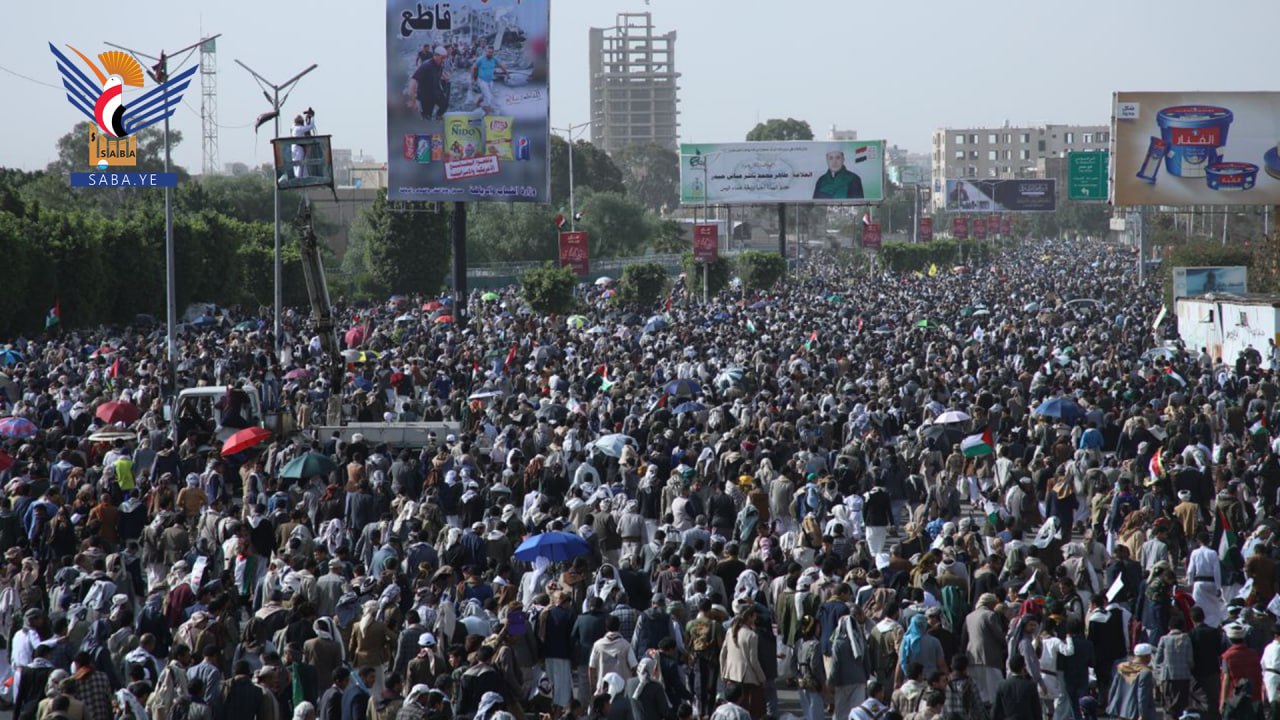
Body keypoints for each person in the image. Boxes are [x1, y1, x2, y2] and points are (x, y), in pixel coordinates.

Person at [1106, 643, 1157, 720]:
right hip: (1135, 712)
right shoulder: (1145, 672)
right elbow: (1142, 696)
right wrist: (1142, 715)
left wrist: (1110, 705)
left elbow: (1113, 689)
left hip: (1120, 710)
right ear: (1147, 656)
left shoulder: (1122, 667)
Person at [409, 47, 451, 120]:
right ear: (436, 56)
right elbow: (413, 81)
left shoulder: (439, 64)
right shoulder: (426, 66)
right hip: (426, 95)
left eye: (445, 58)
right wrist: (413, 101)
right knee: (427, 116)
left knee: (444, 104)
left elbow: (439, 74)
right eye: (442, 58)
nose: (444, 60)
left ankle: (438, 117)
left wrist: (445, 78)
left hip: (436, 91)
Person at [470, 46, 507, 114]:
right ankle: (488, 111)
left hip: (490, 81)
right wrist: (472, 79)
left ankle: (478, 102)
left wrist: (506, 73)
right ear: (486, 52)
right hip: (482, 80)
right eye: (489, 52)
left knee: (485, 94)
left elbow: (501, 65)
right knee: (488, 96)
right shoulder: (480, 59)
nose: (490, 54)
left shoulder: (494, 59)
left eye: (492, 52)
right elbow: (473, 68)